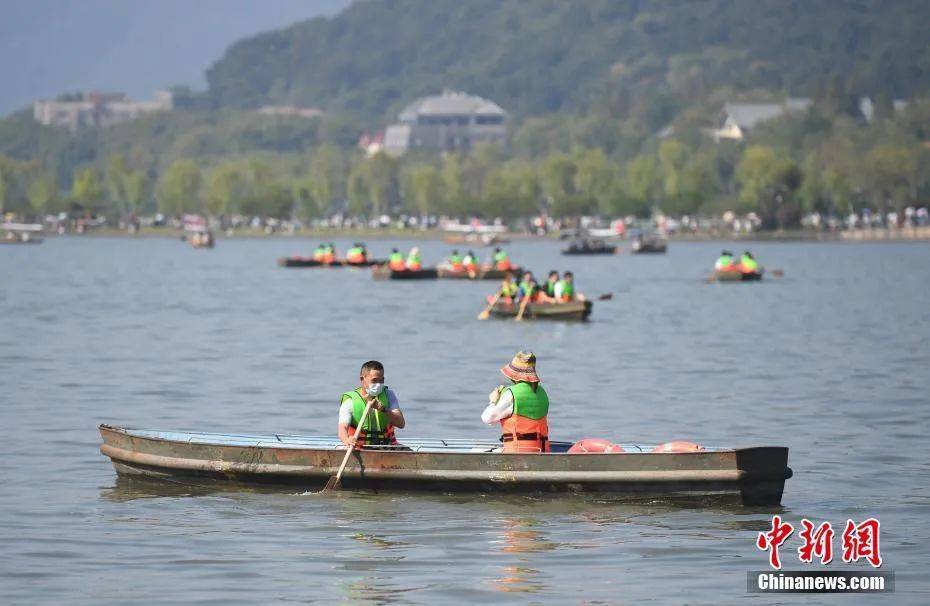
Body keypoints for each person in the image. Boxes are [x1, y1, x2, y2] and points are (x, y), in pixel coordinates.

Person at [481, 351, 550, 453]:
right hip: (542, 452)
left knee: (478, 449)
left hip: (517, 453)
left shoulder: (511, 394)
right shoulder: (542, 392)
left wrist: (494, 400)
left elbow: (487, 419)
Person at [338, 360, 405, 449]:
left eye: (381, 380)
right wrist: (347, 440)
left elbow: (401, 424)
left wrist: (383, 409)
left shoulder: (389, 395)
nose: (378, 384)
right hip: (358, 448)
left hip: (387, 446)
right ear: (362, 379)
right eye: (374, 380)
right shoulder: (350, 400)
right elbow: (342, 428)